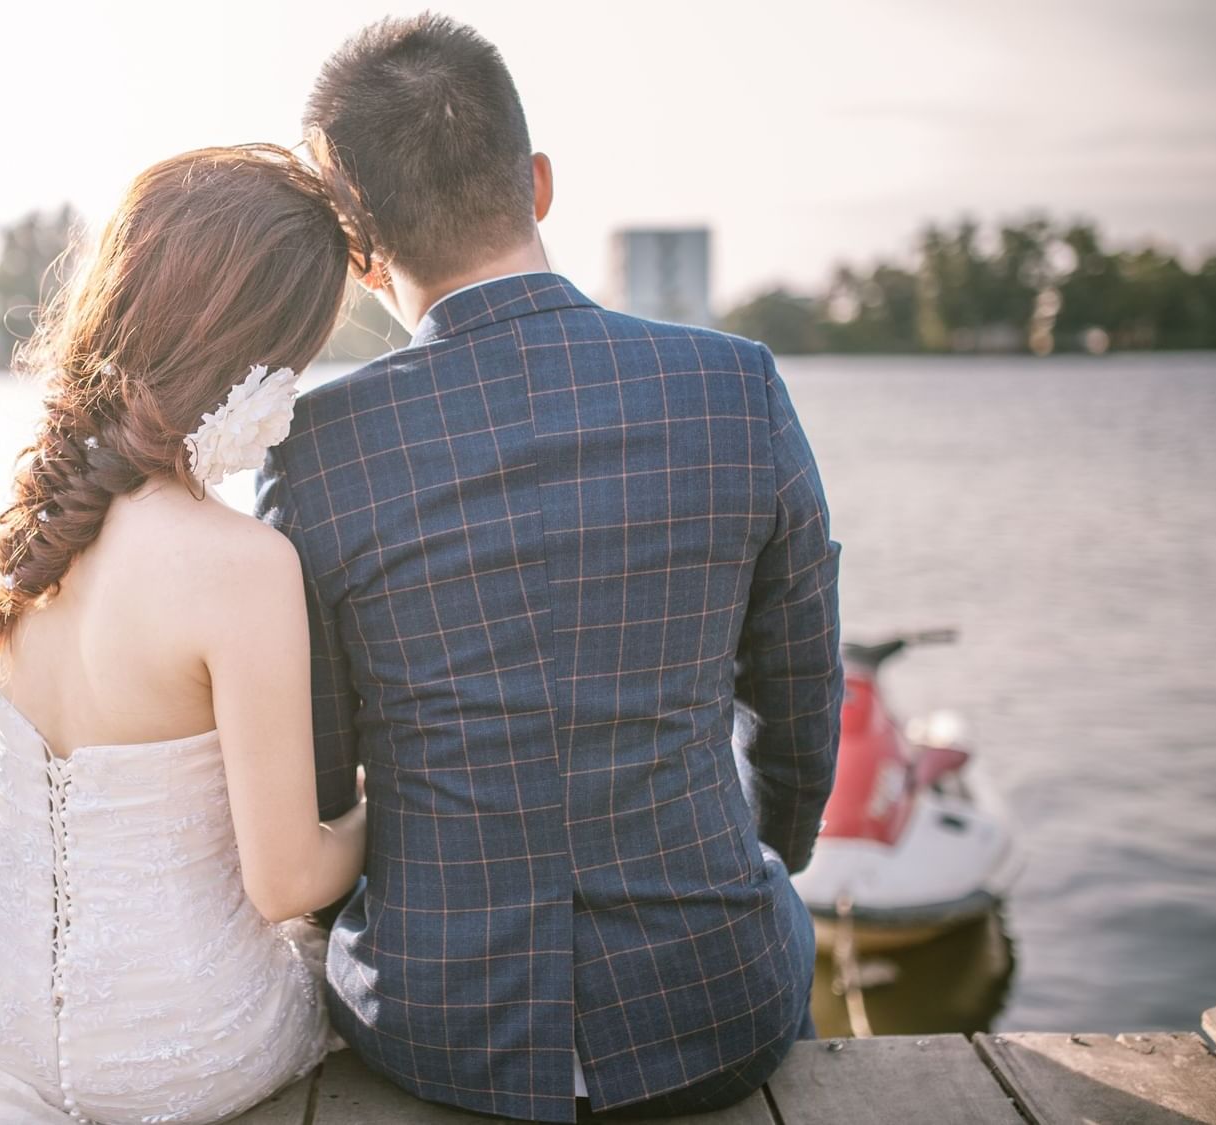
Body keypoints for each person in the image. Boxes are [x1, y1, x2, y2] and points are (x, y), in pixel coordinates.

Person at [255, 14, 843, 1121]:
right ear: (536, 183)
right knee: (775, 917)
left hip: (440, 1030)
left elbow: (325, 779)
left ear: (361, 250)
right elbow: (802, 700)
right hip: (712, 1010)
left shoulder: (315, 452)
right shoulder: (735, 388)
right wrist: (759, 859)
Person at [0, 145, 372, 1125]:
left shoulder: (43, 526)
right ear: (260, 360)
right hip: (182, 1045)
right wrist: (377, 808)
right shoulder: (242, 565)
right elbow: (285, 881)